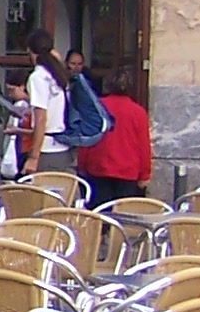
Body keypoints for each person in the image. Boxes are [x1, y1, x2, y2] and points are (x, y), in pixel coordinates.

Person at [79, 70, 153, 205]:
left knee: (99, 215)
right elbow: (144, 146)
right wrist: (145, 174)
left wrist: (82, 165)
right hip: (128, 171)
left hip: (98, 168)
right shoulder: (138, 112)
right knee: (124, 217)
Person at [20, 29, 75, 177]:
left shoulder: (38, 77)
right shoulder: (58, 75)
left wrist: (33, 157)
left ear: (29, 50)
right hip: (63, 146)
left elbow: (41, 118)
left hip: (46, 149)